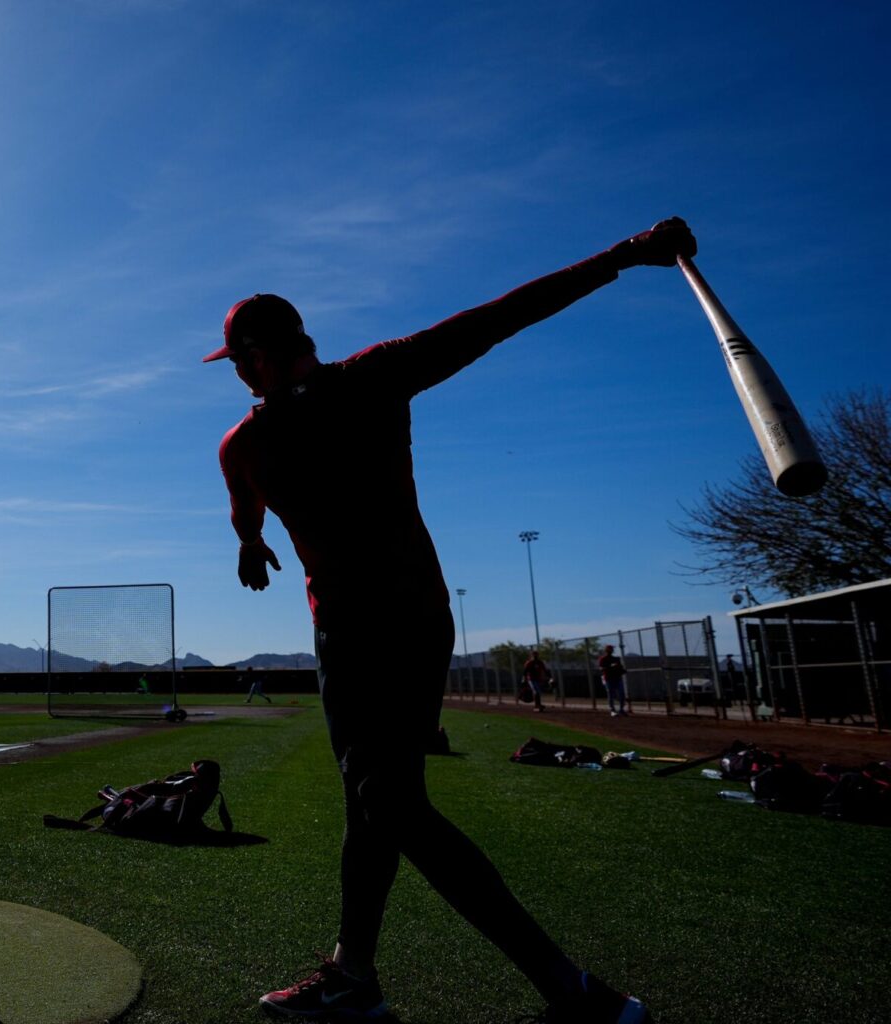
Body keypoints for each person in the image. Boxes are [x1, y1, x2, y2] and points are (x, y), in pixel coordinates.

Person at [211, 218, 690, 1023]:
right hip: (347, 637)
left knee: (389, 802)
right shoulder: (248, 443)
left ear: (258, 355)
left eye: (237, 364)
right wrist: (252, 547)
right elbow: (245, 513)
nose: (238, 378)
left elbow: (499, 316)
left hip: (402, 626)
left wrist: (622, 256)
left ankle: (572, 992)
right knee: (370, 801)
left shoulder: (370, 380)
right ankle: (352, 976)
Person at [598, 644, 629, 717]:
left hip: (617, 678)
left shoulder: (616, 659)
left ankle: (621, 710)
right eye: (609, 649)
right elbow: (601, 668)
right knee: (611, 694)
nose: (611, 650)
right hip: (609, 679)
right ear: (606, 650)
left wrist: (623, 670)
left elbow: (620, 668)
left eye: (611, 649)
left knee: (622, 694)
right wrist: (610, 667)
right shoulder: (603, 659)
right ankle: (612, 710)